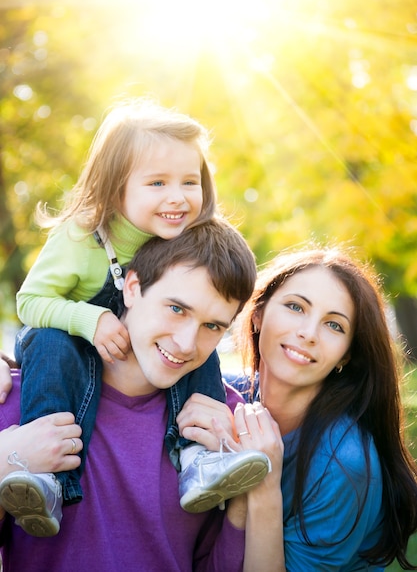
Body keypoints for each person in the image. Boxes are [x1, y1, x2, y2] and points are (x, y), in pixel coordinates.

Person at [7, 97, 268, 537]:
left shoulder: (184, 237)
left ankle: (197, 458)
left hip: (142, 350)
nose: (177, 198)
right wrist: (89, 320)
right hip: (65, 342)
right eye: (158, 183)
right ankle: (46, 476)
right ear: (115, 190)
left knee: (197, 347)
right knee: (50, 343)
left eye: (190, 181)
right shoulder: (83, 237)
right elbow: (29, 302)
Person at [0, 218, 272, 571]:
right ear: (132, 287)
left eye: (212, 326)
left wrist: (244, 499)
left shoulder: (220, 425)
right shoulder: (19, 402)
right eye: (176, 309)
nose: (187, 344)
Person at [180, 246, 417, 571]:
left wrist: (263, 483)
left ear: (346, 356)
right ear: (258, 314)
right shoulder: (224, 393)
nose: (308, 333)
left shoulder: (345, 466)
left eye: (334, 326)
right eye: (295, 307)